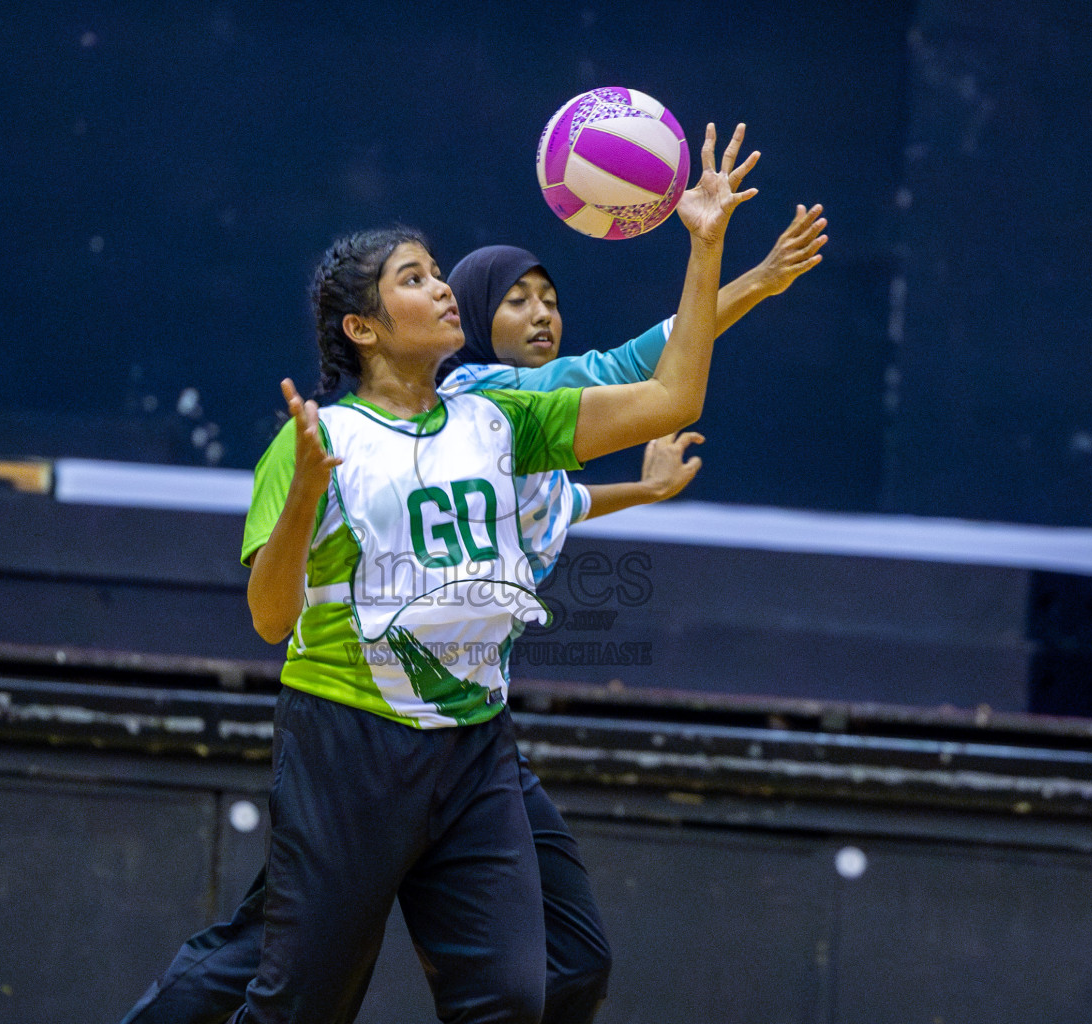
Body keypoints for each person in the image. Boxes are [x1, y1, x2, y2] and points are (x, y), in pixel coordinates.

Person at [117, 168, 826, 1024]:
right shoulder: (320, 441)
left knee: (517, 995)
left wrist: (707, 245)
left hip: (474, 739)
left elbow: (669, 393)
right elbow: (272, 619)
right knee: (297, 999)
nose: (441, 287)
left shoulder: (498, 422)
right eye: (413, 279)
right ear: (363, 328)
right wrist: (306, 489)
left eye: (437, 271)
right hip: (351, 740)